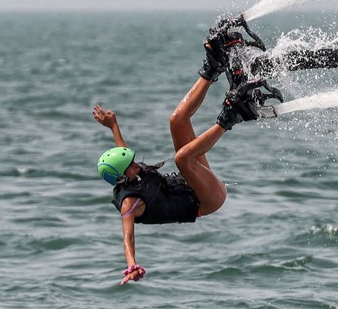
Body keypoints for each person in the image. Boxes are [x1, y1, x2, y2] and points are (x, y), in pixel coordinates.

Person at [94, 35, 263, 285]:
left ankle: (213, 66)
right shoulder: (128, 202)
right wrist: (132, 265)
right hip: (207, 200)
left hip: (195, 182)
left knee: (177, 120)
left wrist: (113, 126)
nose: (136, 164)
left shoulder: (128, 172)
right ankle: (235, 113)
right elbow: (128, 237)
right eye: (131, 165)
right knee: (182, 157)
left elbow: (122, 151)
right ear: (122, 176)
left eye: (132, 160)